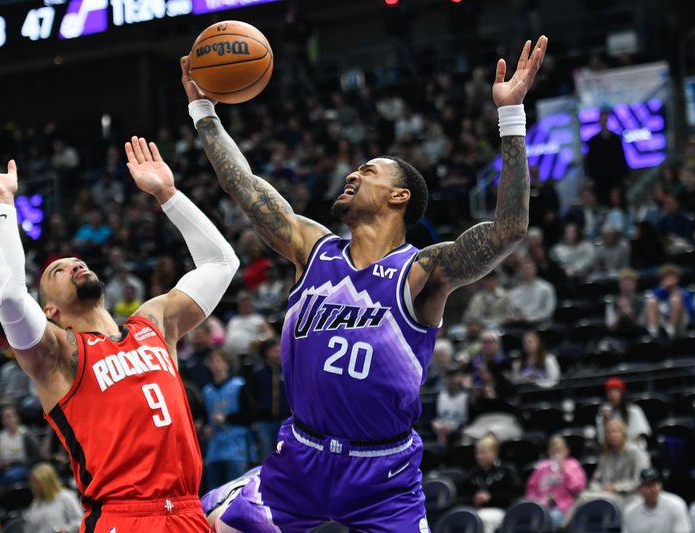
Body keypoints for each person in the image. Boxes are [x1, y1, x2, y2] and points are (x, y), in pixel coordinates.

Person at [183, 35, 548, 531]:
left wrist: (510, 118)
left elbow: (508, 230)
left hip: (383, 477)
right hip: (300, 463)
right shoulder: (313, 249)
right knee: (196, 525)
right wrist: (204, 110)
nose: (353, 174)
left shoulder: (422, 271)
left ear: (399, 195)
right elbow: (243, 186)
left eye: (368, 171)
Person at [0, 138, 239, 532]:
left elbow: (221, 262)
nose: (74, 266)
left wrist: (168, 194)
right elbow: (6, 293)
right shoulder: (58, 354)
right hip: (122, 517)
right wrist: (3, 202)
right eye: (59, 270)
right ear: (49, 311)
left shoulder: (153, 322)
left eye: (78, 262)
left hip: (188, 512)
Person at [202, 349, 256, 490]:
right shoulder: (207, 390)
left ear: (227, 364)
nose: (215, 365)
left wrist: (227, 418)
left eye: (219, 361)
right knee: (214, 491)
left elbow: (250, 414)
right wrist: (205, 427)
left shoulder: (239, 385)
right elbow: (203, 416)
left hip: (236, 447)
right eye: (212, 361)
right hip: (214, 448)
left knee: (235, 489)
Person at [581, 419, 650, 510]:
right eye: (609, 433)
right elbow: (596, 480)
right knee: (585, 496)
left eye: (615, 431)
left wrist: (616, 487)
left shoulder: (636, 452)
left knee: (584, 498)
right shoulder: (605, 456)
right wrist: (598, 488)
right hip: (605, 493)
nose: (612, 435)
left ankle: (565, 524)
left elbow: (640, 480)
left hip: (628, 496)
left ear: (623, 433)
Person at [525, 435, 587, 530]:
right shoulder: (541, 467)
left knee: (553, 518)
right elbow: (531, 488)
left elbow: (578, 489)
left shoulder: (573, 465)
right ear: (548, 452)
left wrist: (565, 470)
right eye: (554, 451)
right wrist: (535, 503)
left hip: (564, 508)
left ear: (567, 451)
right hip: (542, 506)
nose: (557, 454)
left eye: (560, 450)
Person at [462, 434, 520, 533]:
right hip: (475, 510)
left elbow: (515, 495)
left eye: (484, 453)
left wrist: (491, 497)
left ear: (494, 452)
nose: (479, 456)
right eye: (477, 453)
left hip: (502, 511)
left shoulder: (507, 471)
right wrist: (473, 499)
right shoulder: (472, 473)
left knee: (481, 518)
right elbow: (461, 496)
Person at [0, 405, 40, 487]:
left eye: (9, 417)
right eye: (4, 418)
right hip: (1, 468)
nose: (6, 420)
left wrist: (14, 463)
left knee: (10, 477)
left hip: (21, 466)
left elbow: (35, 457)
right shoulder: (0, 436)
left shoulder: (26, 435)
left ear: (17, 418)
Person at [622, 468, 691, 533]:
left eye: (656, 484)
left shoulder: (676, 504)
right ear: (639, 489)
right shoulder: (630, 510)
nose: (654, 489)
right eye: (648, 486)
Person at [585, 109, 629, 206]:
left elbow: (622, 157)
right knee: (603, 202)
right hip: (600, 178)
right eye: (602, 119)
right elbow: (589, 160)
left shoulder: (615, 138)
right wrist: (590, 177)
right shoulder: (594, 140)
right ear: (599, 121)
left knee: (618, 200)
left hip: (615, 176)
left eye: (606, 119)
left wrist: (625, 175)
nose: (604, 121)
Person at [24, 463, 84, 533]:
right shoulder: (36, 503)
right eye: (32, 483)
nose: (33, 486)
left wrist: (67, 530)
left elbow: (80, 520)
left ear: (47, 482)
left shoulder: (65, 497)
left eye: (36, 482)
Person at [596, 377, 651, 449]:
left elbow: (641, 435)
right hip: (613, 451)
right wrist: (605, 421)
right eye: (610, 392)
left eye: (616, 391)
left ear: (622, 393)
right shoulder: (604, 412)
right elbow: (601, 440)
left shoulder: (633, 410)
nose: (613, 395)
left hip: (633, 449)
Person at [645, 263, 693, 339]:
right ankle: (653, 331)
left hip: (680, 324)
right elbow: (647, 303)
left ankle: (671, 329)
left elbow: (689, 312)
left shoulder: (684, 293)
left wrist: (678, 298)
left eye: (672, 277)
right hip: (661, 321)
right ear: (662, 279)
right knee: (651, 300)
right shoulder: (657, 291)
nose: (670, 280)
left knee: (675, 299)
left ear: (677, 279)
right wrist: (661, 290)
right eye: (667, 277)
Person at [507, 259, 557, 323]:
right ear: (520, 271)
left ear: (535, 270)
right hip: (521, 324)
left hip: (541, 324)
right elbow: (512, 310)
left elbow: (548, 311)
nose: (527, 271)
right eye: (524, 269)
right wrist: (514, 316)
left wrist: (531, 318)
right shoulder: (515, 291)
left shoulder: (546, 287)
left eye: (529, 268)